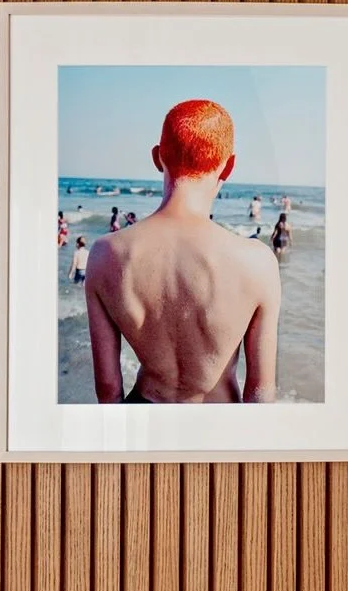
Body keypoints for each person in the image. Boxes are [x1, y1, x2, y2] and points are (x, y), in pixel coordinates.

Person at [84, 99, 281, 405]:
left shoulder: (105, 254)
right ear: (228, 166)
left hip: (144, 416)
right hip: (218, 425)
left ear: (157, 156)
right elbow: (260, 391)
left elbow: (108, 389)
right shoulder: (257, 262)